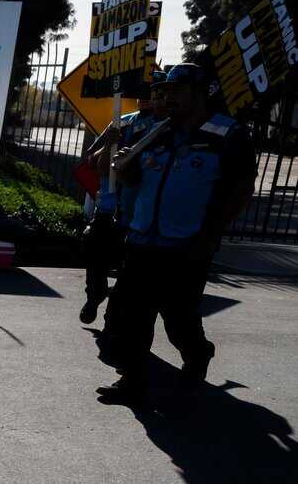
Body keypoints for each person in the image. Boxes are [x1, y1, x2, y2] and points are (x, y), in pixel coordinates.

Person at [96, 63, 256, 405]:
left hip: (187, 245)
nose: (166, 98)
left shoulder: (228, 136)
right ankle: (132, 379)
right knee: (131, 315)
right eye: (164, 92)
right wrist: (123, 167)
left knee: (178, 318)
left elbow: (241, 189)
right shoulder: (155, 131)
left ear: (200, 94)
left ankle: (197, 353)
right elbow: (133, 180)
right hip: (142, 239)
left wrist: (211, 236)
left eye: (175, 92)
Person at [81, 80, 164, 327]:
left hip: (140, 215)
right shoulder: (123, 121)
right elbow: (94, 162)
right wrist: (110, 143)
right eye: (144, 92)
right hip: (108, 208)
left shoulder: (169, 129)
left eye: (156, 94)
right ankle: (95, 295)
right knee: (94, 251)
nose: (149, 98)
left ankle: (115, 315)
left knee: (131, 272)